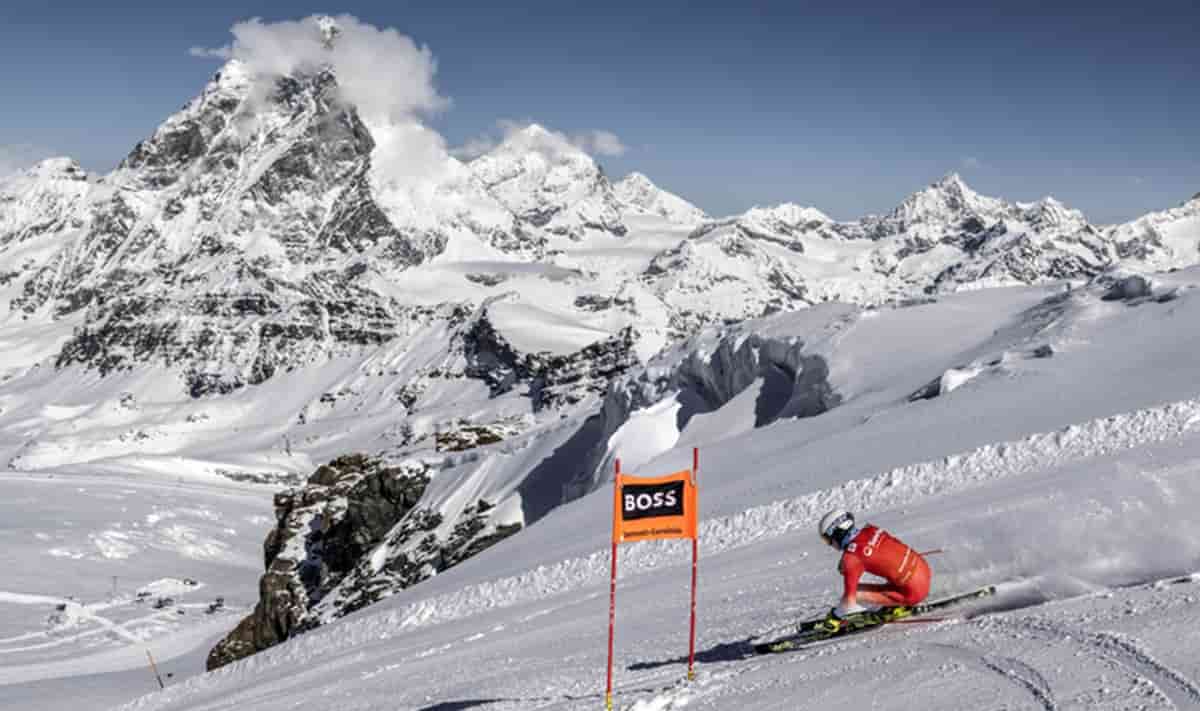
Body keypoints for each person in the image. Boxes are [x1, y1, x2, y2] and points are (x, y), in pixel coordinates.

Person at [816, 510, 931, 632]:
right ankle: (891, 603)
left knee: (857, 593)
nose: (829, 544)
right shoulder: (871, 529)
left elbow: (849, 601)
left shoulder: (851, 558)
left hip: (915, 592)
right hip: (923, 569)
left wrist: (834, 617)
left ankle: (886, 610)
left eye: (828, 540)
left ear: (837, 533)